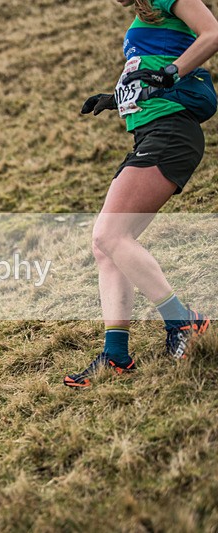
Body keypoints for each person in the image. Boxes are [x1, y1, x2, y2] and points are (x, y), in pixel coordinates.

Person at [66, 0, 218, 388]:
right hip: (151, 132)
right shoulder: (143, 16)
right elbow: (149, 75)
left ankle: (183, 320)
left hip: (171, 132)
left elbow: (213, 33)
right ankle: (116, 353)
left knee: (109, 235)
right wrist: (116, 98)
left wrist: (172, 71)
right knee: (107, 245)